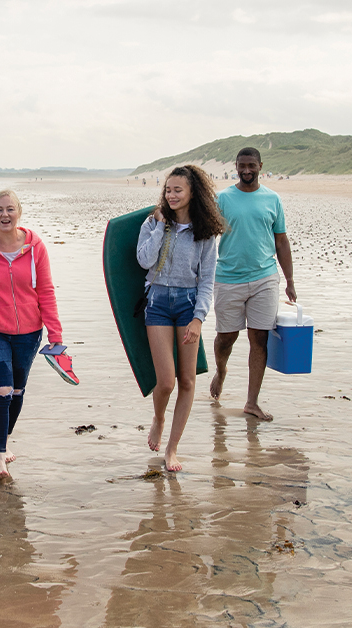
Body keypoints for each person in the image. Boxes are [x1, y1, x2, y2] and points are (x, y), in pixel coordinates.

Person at [0, 189, 64, 480]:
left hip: (30, 332)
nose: (5, 215)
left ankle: (3, 439)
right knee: (1, 391)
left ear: (19, 212)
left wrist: (55, 334)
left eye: (10, 209)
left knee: (17, 391)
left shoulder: (36, 247)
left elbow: (46, 290)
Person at [136, 165, 225, 472]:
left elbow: (207, 281)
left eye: (178, 190)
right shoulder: (152, 222)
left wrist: (199, 318)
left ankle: (172, 449)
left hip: (188, 304)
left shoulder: (204, 234)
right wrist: (161, 226)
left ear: (192, 194)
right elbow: (144, 260)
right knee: (165, 381)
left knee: (187, 380)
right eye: (168, 190)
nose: (171, 195)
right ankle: (159, 418)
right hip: (158, 301)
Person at [209, 148, 297, 420]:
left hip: (265, 278)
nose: (246, 170)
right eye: (241, 166)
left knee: (259, 339)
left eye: (251, 165)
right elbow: (204, 236)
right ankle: (221, 371)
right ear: (235, 166)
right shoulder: (222, 198)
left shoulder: (272, 199)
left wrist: (290, 280)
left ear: (260, 165)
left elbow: (281, 241)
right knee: (227, 337)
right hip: (228, 278)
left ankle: (252, 402)